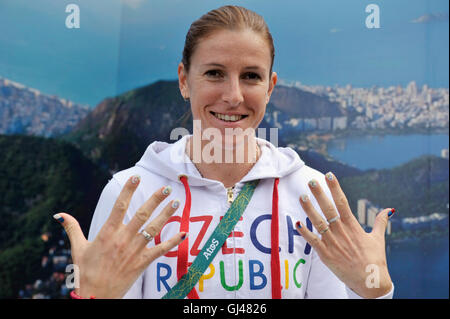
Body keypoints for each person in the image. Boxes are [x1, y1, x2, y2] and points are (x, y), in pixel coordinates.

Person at [54, 5, 394, 299]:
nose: (233, 95)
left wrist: (374, 291)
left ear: (270, 87)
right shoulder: (130, 195)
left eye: (250, 76)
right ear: (184, 80)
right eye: (215, 73)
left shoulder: (311, 195)